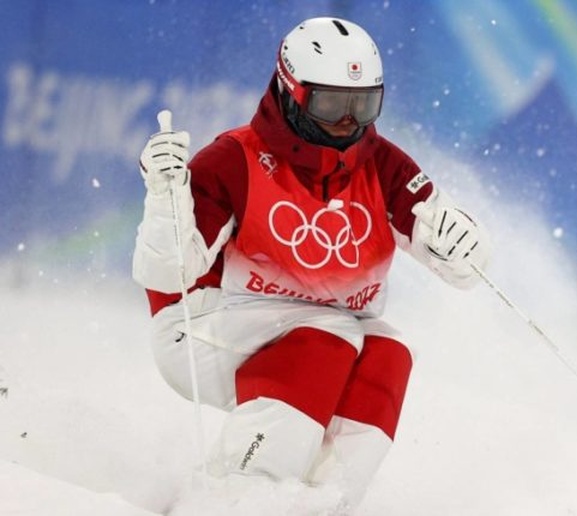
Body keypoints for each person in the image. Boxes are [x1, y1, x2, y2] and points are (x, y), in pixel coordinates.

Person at [132, 16, 489, 511]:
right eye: (331, 105)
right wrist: (163, 199)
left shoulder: (383, 166)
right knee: (330, 334)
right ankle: (237, 493)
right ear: (291, 92)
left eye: (363, 105)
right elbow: (166, 274)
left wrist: (467, 248)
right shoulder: (234, 159)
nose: (349, 123)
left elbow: (459, 262)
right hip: (200, 324)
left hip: (315, 329)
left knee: (387, 351)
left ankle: (325, 500)